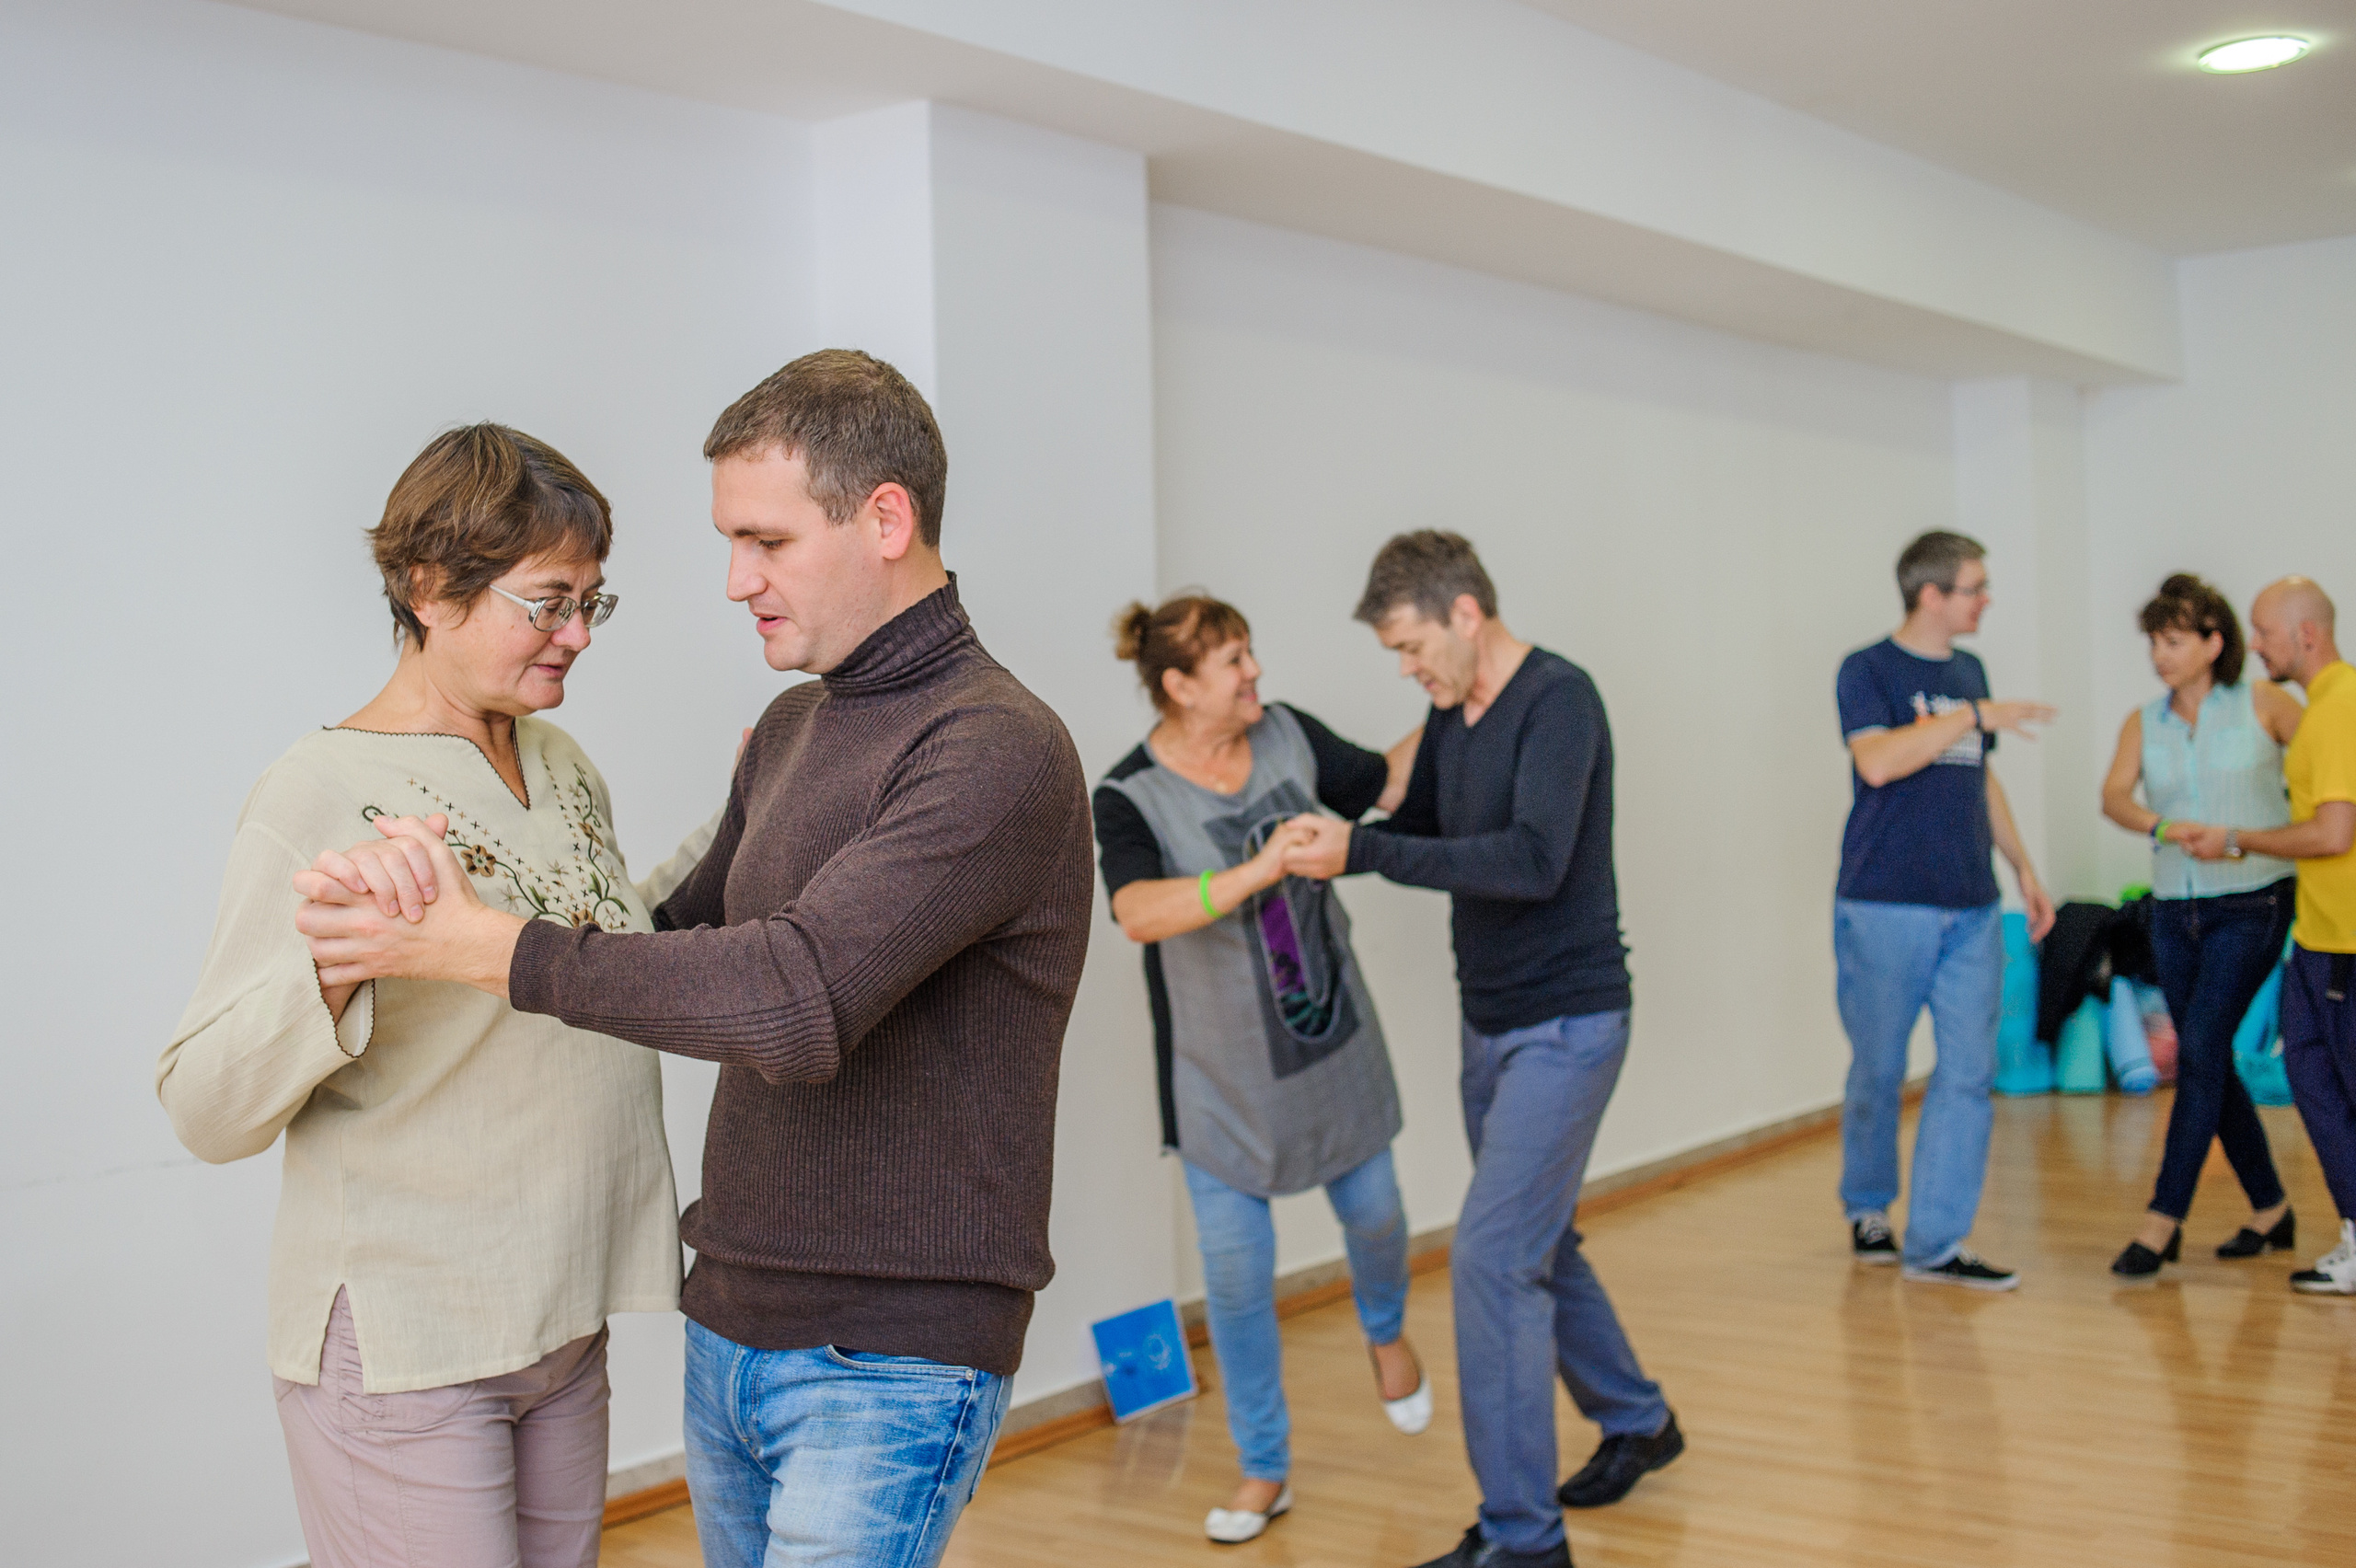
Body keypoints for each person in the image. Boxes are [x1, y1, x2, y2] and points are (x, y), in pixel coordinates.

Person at [292, 351, 1094, 1566]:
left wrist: (484, 944)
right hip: (731, 1327)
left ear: (886, 518)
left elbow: (795, 997)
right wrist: (439, 902)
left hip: (889, 1359)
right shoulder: (796, 724)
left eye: (765, 541)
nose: (735, 581)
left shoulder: (995, 749)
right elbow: (670, 942)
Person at [156, 424, 685, 1568]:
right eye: (549, 603)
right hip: (411, 1334)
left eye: (594, 602)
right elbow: (201, 1103)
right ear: (430, 588)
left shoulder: (559, 762)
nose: (579, 637)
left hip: (559, 1307)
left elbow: (585, 948)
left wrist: (759, 815)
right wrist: (335, 966)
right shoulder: (320, 789)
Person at [1285, 531, 1676, 1568]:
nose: (1408, 669)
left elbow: (1534, 859)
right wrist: (1275, 741)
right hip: (1490, 1023)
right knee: (1538, 1241)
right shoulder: (1450, 716)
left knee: (1494, 1259)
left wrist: (1361, 850)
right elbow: (1395, 805)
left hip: (1570, 1024)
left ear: (1465, 613)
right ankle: (1638, 1419)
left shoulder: (1560, 701)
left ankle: (1522, 1540)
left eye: (1412, 645)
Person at [1092, 593, 1427, 1545]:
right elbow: (1137, 912)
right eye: (1234, 662)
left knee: (1376, 1215)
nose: (1255, 676)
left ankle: (1384, 1330)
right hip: (1221, 1084)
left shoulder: (1287, 735)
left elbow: (1381, 780)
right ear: (1177, 685)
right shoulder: (1128, 795)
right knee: (1238, 1285)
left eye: (1250, 655)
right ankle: (1263, 1468)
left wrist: (1455, 701)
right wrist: (1258, 870)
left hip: (1333, 1045)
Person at [1832, 529, 2055, 1292]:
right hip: (1885, 903)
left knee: (1967, 1071)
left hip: (1973, 907)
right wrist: (1973, 715)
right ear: (1932, 594)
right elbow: (1879, 760)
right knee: (1881, 1068)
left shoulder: (1970, 672)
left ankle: (1936, 1243)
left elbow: (1978, 779)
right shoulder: (1867, 670)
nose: (1986, 599)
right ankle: (1868, 1206)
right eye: (1975, 587)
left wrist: (2022, 865)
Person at [2097, 574, 2301, 1277]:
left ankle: (2162, 1222)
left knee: (2203, 1052)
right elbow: (2115, 797)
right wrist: (2160, 823)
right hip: (2172, 908)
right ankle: (2272, 1210)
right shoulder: (2142, 722)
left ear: (2214, 643)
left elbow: (2328, 787)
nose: (2160, 654)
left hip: (2252, 902)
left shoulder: (2266, 705)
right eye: (2155, 640)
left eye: (2175, 640)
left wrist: (2247, 837)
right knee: (2207, 1057)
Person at [2177, 577, 2356, 1295]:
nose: (2258, 646)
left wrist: (2236, 840)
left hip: (2346, 942)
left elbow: (2334, 831)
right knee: (2316, 1088)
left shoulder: (2339, 712)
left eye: (2265, 631)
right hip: (2316, 941)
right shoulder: (2321, 712)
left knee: (2338, 1092)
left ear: (2306, 635)